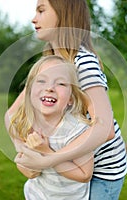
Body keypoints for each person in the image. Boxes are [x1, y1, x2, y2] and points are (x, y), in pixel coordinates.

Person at [4, 0, 127, 199]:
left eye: (41, 10)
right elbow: (11, 115)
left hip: (101, 172)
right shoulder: (50, 62)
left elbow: (105, 128)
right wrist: (27, 156)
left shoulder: (83, 63)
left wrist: (47, 159)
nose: (33, 18)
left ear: (64, 13)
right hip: (68, 160)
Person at [9, 55, 94, 200]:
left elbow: (85, 175)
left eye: (61, 83)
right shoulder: (29, 124)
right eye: (41, 81)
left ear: (71, 99)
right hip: (35, 195)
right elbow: (26, 167)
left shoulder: (77, 130)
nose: (49, 88)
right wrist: (29, 164)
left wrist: (46, 152)